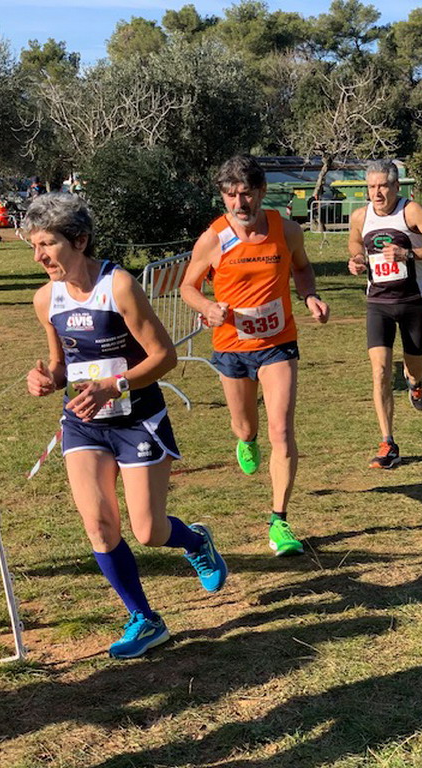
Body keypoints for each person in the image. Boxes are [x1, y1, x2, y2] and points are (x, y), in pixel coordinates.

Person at [24, 194, 226, 660]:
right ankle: (144, 618)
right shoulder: (45, 299)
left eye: (48, 244)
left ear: (79, 240)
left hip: (138, 421)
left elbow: (165, 356)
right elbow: (61, 365)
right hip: (84, 425)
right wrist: (47, 379)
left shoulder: (118, 287)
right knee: (99, 526)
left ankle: (195, 541)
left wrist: (114, 386)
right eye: (34, 246)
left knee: (149, 531)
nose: (39, 257)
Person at [180, 154, 329, 557]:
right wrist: (207, 307)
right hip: (232, 347)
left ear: (261, 192)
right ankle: (246, 439)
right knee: (246, 427)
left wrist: (310, 296)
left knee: (281, 430)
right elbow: (188, 286)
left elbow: (302, 268)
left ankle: (279, 521)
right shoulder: (214, 238)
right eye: (230, 195)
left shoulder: (286, 230)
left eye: (246, 194)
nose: (239, 203)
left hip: (278, 343)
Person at [347, 159, 422, 469]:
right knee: (380, 370)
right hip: (378, 303)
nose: (377, 193)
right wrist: (357, 259)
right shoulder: (360, 216)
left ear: (396, 186)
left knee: (414, 368)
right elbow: (355, 242)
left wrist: (408, 254)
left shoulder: (411, 212)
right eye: (371, 187)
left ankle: (415, 383)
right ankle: (388, 443)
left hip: (413, 301)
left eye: (383, 186)